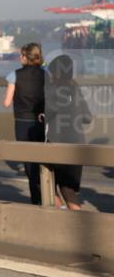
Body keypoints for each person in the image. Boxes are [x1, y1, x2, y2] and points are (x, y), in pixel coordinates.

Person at [45, 54, 91, 211]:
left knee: (47, 183)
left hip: (58, 142)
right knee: (69, 188)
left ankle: (64, 220)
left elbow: (48, 112)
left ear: (55, 73)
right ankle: (73, 218)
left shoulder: (52, 88)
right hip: (78, 144)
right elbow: (87, 117)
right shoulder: (75, 88)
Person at [4, 42, 47, 205]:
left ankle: (36, 199)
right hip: (41, 120)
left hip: (22, 122)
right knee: (43, 158)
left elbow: (7, 102)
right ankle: (48, 195)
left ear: (25, 57)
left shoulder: (14, 75)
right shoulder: (46, 74)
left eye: (21, 55)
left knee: (29, 162)